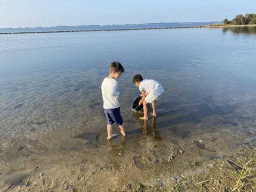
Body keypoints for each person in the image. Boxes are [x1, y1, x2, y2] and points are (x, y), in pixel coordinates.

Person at [101, 61, 126, 139]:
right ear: (114, 72)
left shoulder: (104, 80)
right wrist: (118, 93)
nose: (120, 75)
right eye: (119, 73)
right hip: (113, 106)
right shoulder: (114, 82)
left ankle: (109, 135)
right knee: (119, 121)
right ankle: (124, 133)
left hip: (106, 106)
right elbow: (112, 93)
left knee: (109, 122)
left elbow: (103, 90)